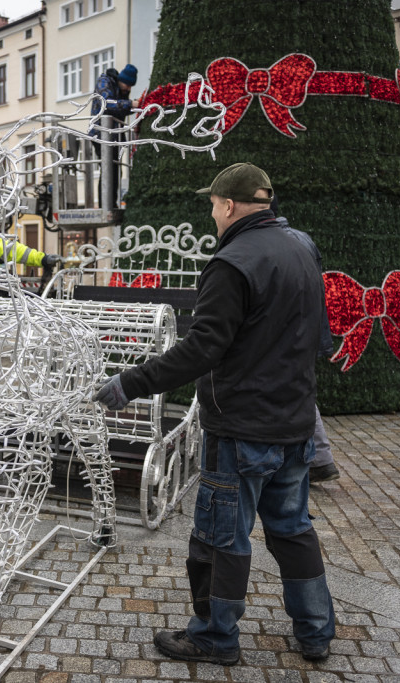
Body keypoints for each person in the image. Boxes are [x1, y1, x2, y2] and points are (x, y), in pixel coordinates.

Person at [94, 163, 335, 665]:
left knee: (220, 538)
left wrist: (131, 382)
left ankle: (213, 636)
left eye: (212, 205)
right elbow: (319, 335)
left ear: (228, 205)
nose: (211, 213)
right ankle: (315, 631)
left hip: (241, 429)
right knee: (292, 530)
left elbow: (202, 349)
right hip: (293, 425)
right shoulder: (302, 246)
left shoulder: (233, 261)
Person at [270, 194, 341, 485]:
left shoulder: (274, 243)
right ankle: (317, 459)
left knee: (291, 393)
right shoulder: (303, 239)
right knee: (297, 391)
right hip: (307, 329)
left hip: (288, 332)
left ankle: (314, 460)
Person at [89, 63, 138, 208]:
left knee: (115, 169)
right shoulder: (104, 82)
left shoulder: (119, 88)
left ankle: (111, 203)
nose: (128, 89)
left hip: (114, 135)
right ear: (121, 79)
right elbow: (108, 104)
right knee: (108, 169)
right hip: (100, 133)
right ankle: (106, 204)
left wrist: (132, 105)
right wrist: (130, 104)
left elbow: (119, 109)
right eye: (127, 85)